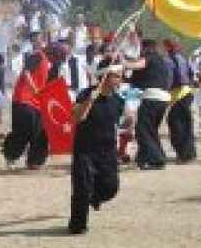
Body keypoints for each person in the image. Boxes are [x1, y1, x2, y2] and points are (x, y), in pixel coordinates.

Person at [68, 59, 126, 235]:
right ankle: (77, 225)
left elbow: (118, 124)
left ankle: (92, 198)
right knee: (82, 189)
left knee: (111, 188)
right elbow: (76, 118)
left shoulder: (118, 100)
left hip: (107, 151)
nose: (120, 78)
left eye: (120, 75)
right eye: (116, 75)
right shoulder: (86, 94)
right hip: (85, 149)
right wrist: (88, 102)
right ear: (105, 77)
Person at [122, 39, 172, 170]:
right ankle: (146, 158)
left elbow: (136, 65)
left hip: (153, 97)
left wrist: (123, 62)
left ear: (146, 48)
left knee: (142, 130)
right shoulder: (160, 61)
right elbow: (135, 78)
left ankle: (156, 159)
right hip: (161, 98)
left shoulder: (151, 58)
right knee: (150, 130)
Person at [3, 34, 50, 170]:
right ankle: (11, 156)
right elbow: (27, 73)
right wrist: (35, 89)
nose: (39, 41)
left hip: (36, 101)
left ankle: (34, 161)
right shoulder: (36, 56)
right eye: (36, 39)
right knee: (23, 130)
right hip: (24, 99)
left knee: (39, 131)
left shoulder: (46, 59)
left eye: (41, 39)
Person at [163, 40, 197, 163]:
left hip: (177, 95)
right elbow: (192, 75)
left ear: (167, 48)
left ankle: (183, 154)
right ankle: (190, 153)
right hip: (187, 93)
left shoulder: (167, 61)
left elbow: (168, 79)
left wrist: (164, 91)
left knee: (176, 124)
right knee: (186, 124)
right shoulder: (185, 59)